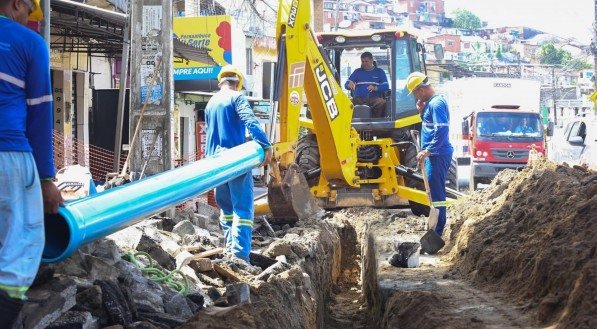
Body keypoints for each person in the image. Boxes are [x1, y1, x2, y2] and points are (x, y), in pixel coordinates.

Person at [0, 0, 64, 327]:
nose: (28, 20)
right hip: (9, 155)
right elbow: (39, 116)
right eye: (28, 13)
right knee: (21, 242)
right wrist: (46, 179)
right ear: (17, 5)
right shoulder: (29, 43)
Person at [205, 65, 272, 263]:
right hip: (235, 160)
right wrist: (265, 145)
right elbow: (250, 122)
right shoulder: (237, 98)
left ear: (221, 81)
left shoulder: (211, 102)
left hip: (215, 163)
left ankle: (229, 249)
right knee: (242, 210)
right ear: (238, 83)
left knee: (226, 210)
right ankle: (241, 255)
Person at [406, 72, 453, 237]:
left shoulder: (437, 103)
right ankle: (436, 229)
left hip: (437, 155)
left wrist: (428, 150)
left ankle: (437, 232)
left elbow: (441, 130)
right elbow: (431, 126)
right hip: (434, 154)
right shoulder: (431, 104)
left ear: (421, 90)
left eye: (414, 93)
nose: (414, 96)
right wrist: (421, 112)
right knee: (434, 193)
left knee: (437, 195)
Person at [345, 52, 389, 117]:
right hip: (358, 99)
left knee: (382, 102)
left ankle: (376, 121)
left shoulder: (379, 72)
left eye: (366, 61)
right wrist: (348, 85)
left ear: (372, 60)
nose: (364, 63)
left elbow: (386, 86)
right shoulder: (357, 72)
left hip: (374, 98)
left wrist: (375, 88)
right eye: (363, 61)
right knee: (345, 102)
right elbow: (346, 84)